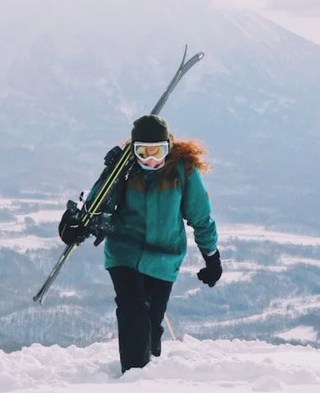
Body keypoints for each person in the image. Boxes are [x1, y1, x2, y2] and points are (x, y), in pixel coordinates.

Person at [58, 114, 222, 373]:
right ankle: (133, 377)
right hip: (125, 252)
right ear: (133, 150)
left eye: (158, 152)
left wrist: (211, 256)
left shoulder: (182, 171)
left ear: (169, 147)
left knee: (151, 320)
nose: (151, 159)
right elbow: (98, 202)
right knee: (132, 309)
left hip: (164, 258)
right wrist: (77, 225)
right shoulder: (123, 169)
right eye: (142, 152)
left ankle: (149, 369)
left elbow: (200, 215)